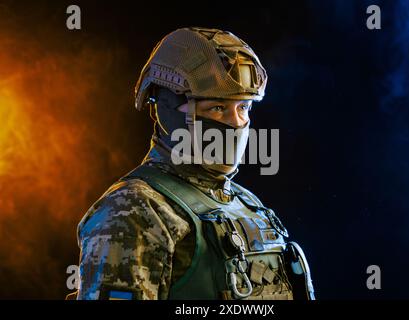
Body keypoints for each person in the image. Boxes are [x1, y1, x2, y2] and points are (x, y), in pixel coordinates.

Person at [74, 27, 315, 300]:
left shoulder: (246, 204)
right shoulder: (135, 209)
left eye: (243, 107)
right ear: (167, 112)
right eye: (217, 108)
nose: (237, 123)